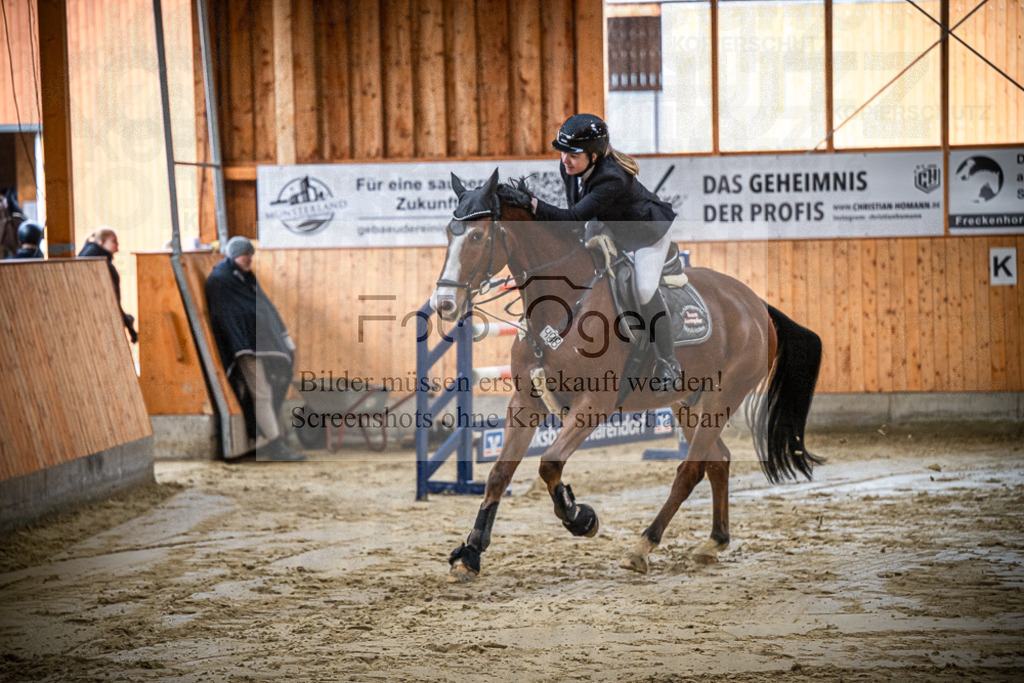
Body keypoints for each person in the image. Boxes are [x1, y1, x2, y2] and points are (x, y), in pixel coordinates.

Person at [499, 113, 681, 388]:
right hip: (611, 225)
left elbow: (572, 217)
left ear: (594, 156)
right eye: (562, 152)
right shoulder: (571, 167)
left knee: (644, 289)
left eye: (572, 154)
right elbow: (576, 218)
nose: (564, 159)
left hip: (647, 233)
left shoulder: (612, 178)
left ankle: (668, 361)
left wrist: (533, 205)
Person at [205, 236, 305, 462]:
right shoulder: (222, 280)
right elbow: (228, 316)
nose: (250, 259)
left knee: (268, 389)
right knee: (261, 392)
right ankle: (273, 443)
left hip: (254, 343)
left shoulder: (243, 277)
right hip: (243, 346)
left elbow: (260, 308)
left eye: (251, 255)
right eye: (245, 256)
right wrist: (240, 343)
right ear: (234, 255)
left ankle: (268, 438)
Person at [78, 227, 138, 343]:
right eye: (114, 241)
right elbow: (113, 301)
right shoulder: (104, 266)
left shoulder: (82, 257)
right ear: (102, 242)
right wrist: (129, 326)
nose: (117, 246)